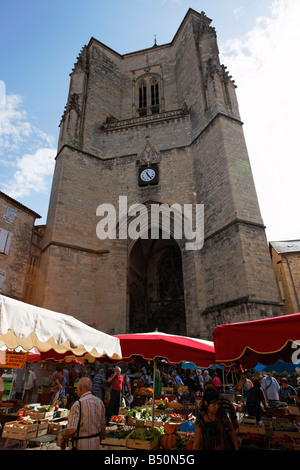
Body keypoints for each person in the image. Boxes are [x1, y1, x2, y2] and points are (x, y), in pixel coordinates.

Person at [59, 377, 105, 450]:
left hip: (81, 444)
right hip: (95, 443)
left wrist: (64, 437)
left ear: (80, 387)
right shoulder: (99, 402)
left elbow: (72, 430)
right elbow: (102, 427)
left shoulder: (78, 404)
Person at [192, 385, 239, 450]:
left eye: (218, 403)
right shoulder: (200, 419)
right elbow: (196, 441)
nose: (217, 406)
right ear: (206, 403)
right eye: (214, 404)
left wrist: (236, 448)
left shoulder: (223, 414)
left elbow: (232, 430)